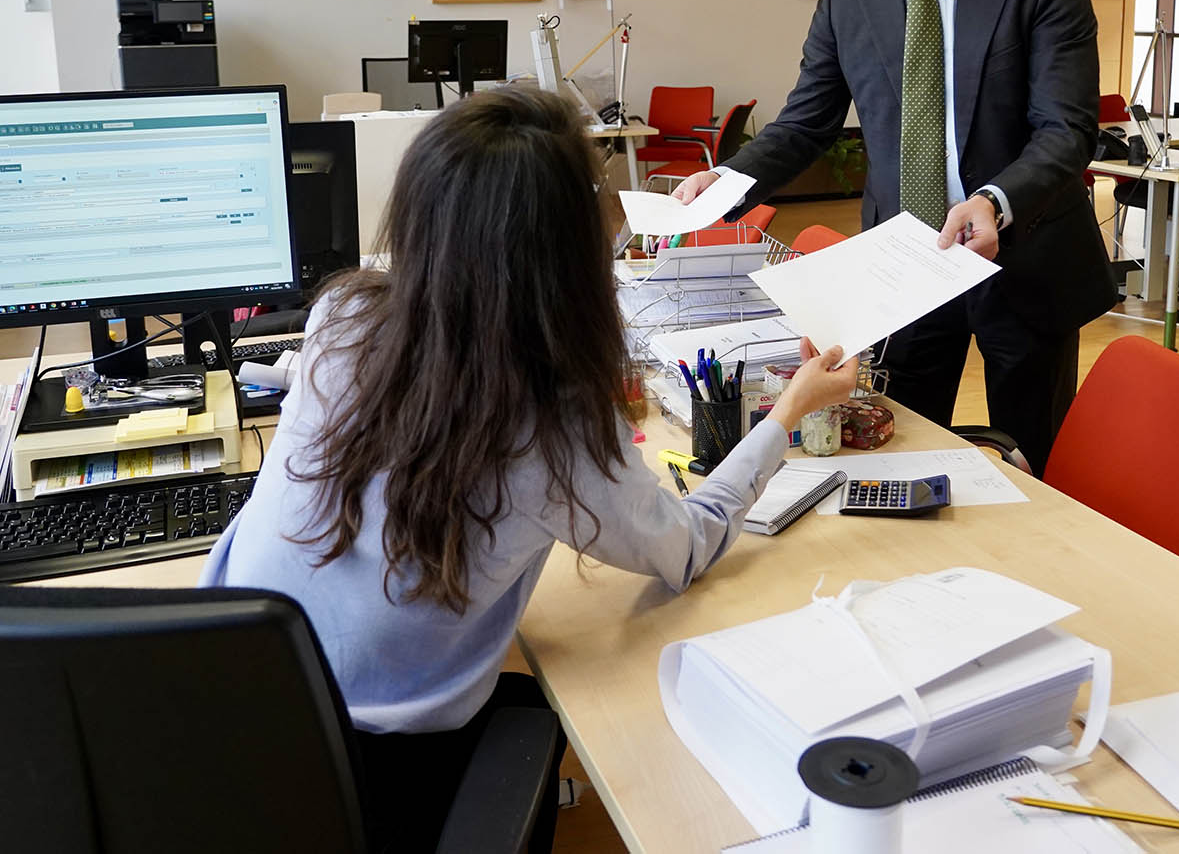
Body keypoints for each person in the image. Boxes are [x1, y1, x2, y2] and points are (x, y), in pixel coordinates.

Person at [200, 88, 858, 853]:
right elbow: (685, 547)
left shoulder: (340, 318)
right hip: (377, 783)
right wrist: (785, 416)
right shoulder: (555, 419)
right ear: (567, 260)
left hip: (222, 715)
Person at [674, 0, 1116, 473]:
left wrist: (995, 200)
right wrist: (725, 179)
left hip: (1025, 254)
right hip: (904, 265)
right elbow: (806, 123)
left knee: (1037, 468)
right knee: (895, 452)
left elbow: (1067, 127)